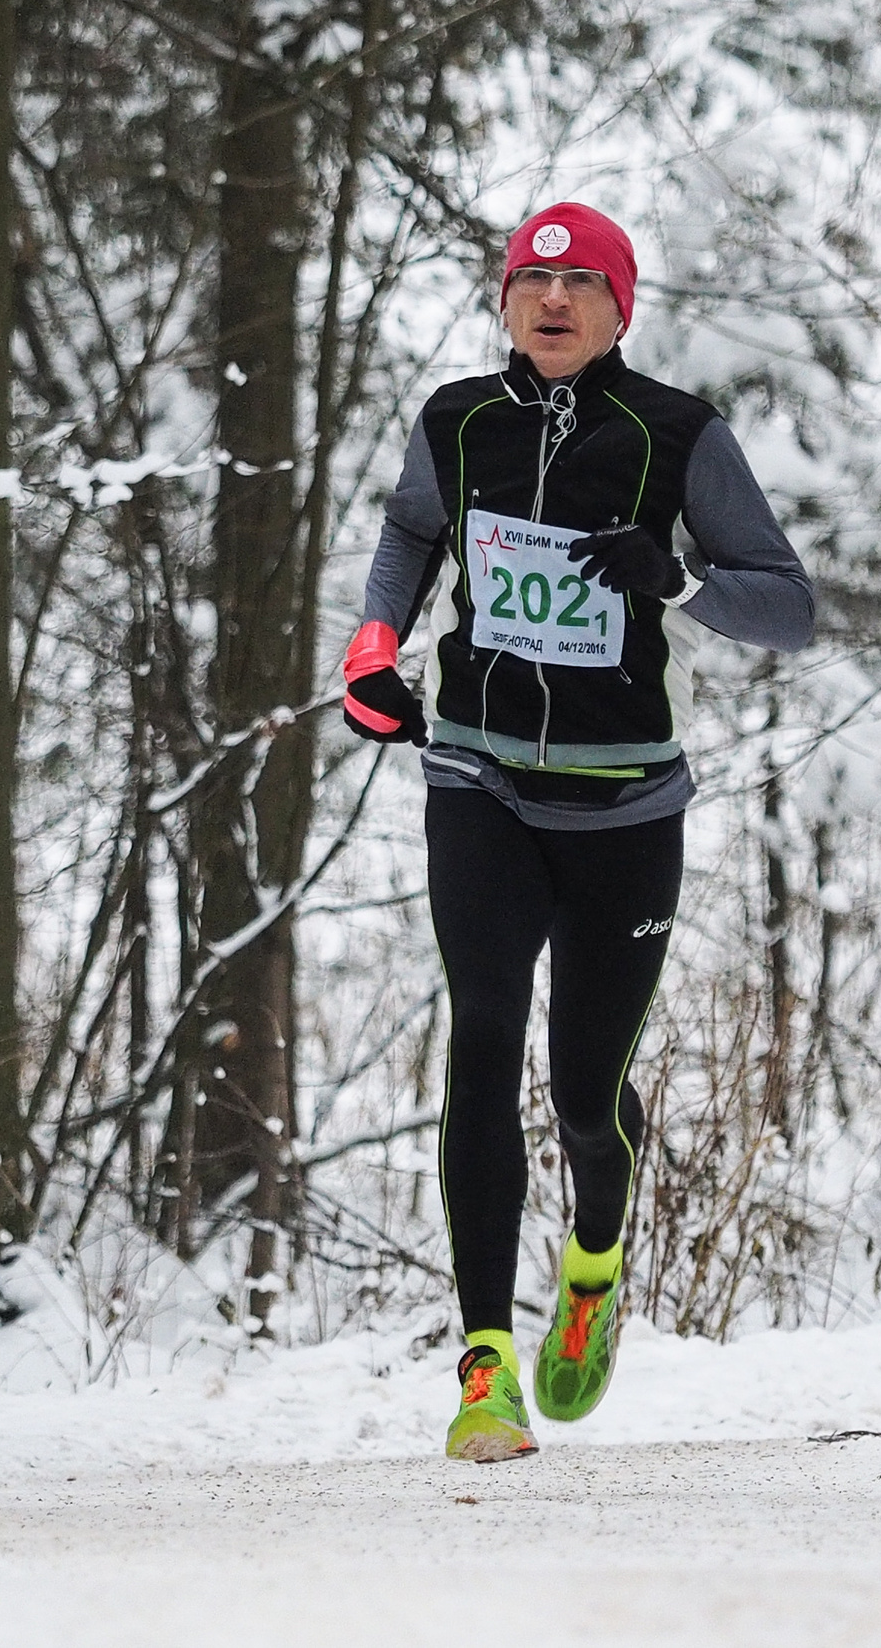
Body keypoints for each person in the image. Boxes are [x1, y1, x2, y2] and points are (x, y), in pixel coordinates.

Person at [341, 202, 814, 1461]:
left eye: (579, 286)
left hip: (623, 806)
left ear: (619, 306)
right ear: (504, 302)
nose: (551, 303)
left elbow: (790, 610)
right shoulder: (457, 419)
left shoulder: (674, 435)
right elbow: (410, 532)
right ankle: (483, 1364)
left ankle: (594, 1265)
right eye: (529, 285)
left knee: (587, 1093)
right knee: (483, 1037)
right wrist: (375, 647)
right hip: (477, 779)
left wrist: (681, 582)